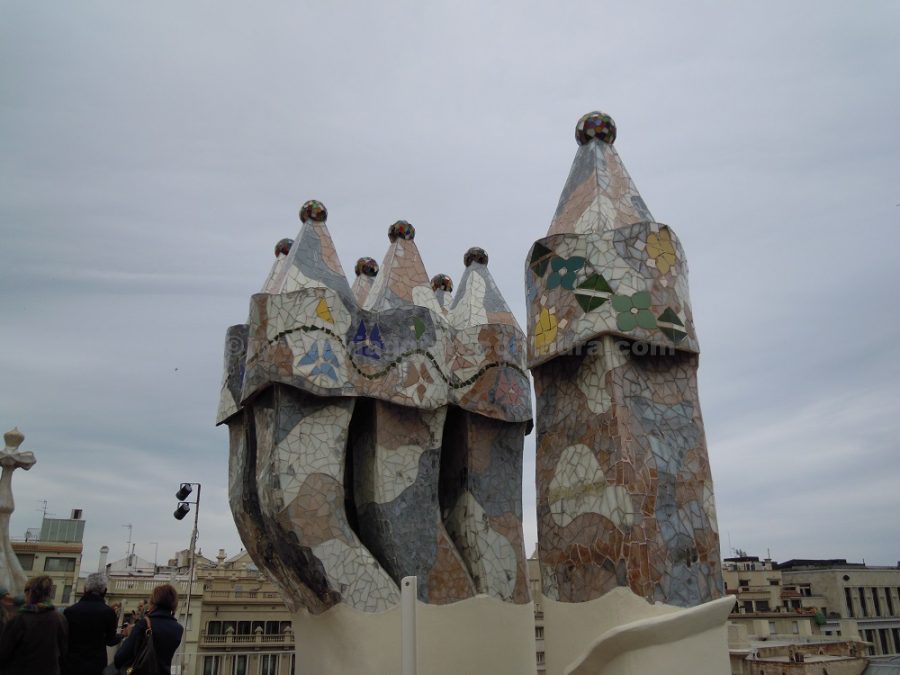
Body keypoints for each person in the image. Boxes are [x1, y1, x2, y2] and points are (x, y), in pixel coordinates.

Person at [0, 575, 68, 675]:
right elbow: (64, 652)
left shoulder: (19, 619)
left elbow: (3, 652)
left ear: (30, 593)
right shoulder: (59, 618)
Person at [113, 584, 183, 675]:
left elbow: (119, 659)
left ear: (154, 601)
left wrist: (130, 636)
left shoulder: (144, 624)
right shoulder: (178, 629)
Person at [62, 573, 121, 675]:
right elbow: (110, 641)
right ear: (105, 591)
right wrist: (123, 635)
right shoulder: (108, 612)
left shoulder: (70, 611)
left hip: (71, 665)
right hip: (96, 666)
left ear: (85, 589)